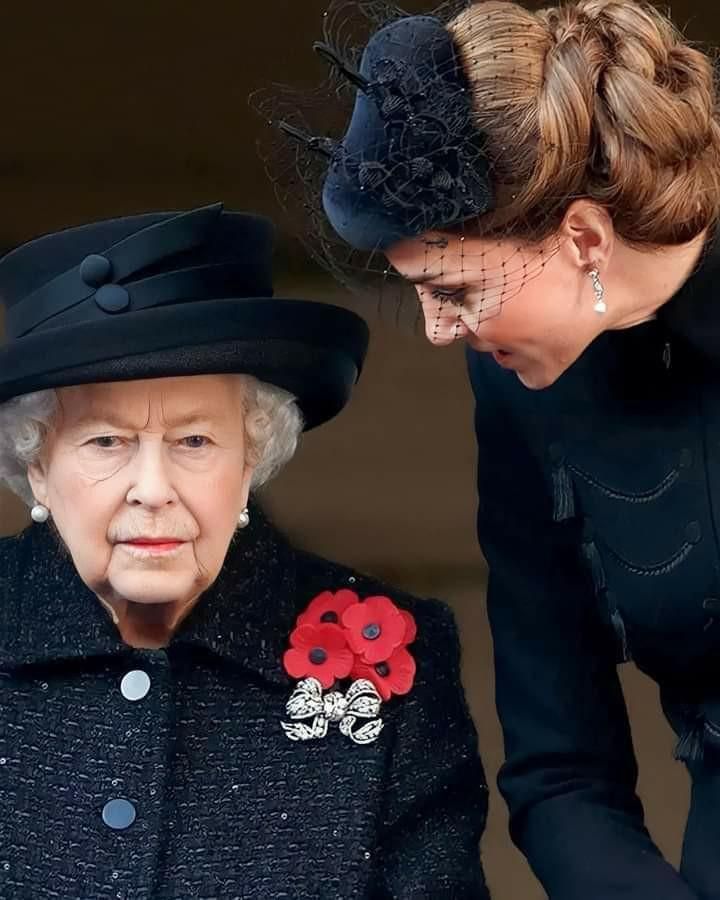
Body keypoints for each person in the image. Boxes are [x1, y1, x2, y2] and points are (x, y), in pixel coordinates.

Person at [276, 0, 720, 896]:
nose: (438, 331)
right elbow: (559, 768)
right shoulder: (521, 388)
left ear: (585, 237)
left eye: (455, 289)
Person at [0, 203, 489, 899]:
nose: (152, 489)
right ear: (37, 464)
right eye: (105, 442)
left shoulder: (394, 661)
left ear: (252, 458)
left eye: (193, 441)